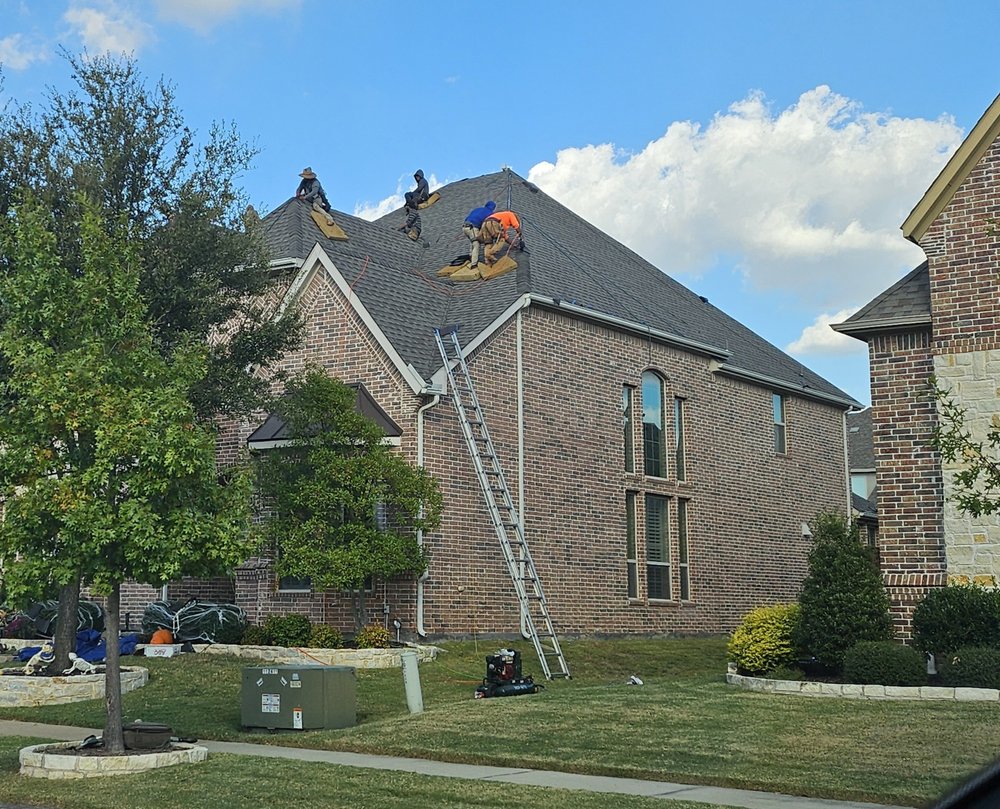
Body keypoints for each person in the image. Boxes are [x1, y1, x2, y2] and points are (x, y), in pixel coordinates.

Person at [462, 200, 496, 268]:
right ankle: (474, 264)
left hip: (464, 227)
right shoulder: (490, 213)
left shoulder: (478, 209)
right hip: (472, 227)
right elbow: (486, 225)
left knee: (472, 240)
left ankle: (471, 256)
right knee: (476, 244)